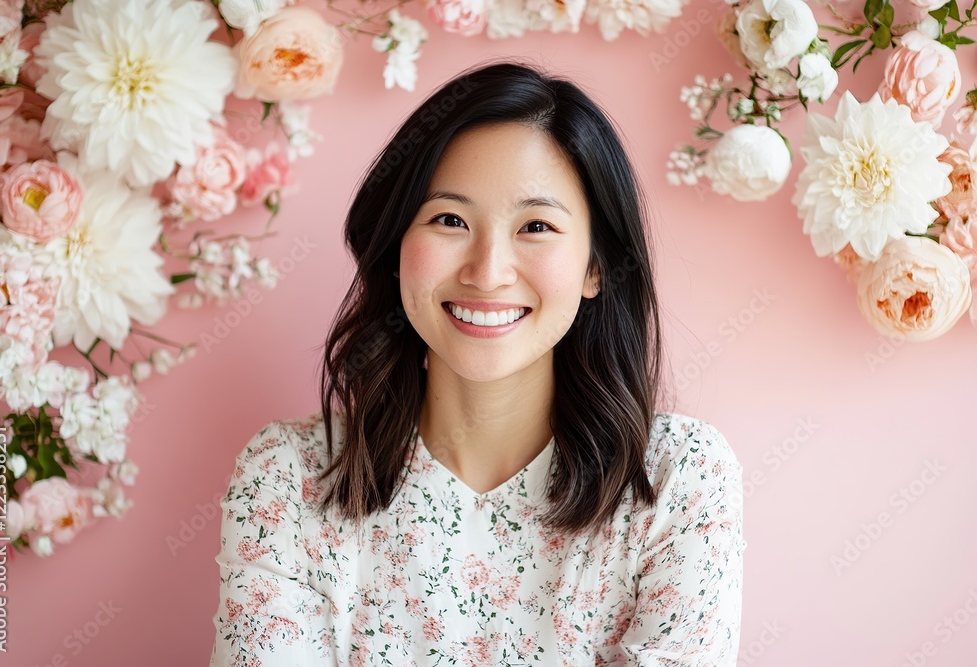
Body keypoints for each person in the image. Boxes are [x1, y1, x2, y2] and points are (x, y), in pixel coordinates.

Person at [210, 58, 746, 667]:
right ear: (395, 250)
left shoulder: (679, 482)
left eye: (536, 226)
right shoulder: (290, 478)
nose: (487, 272)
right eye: (450, 220)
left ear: (595, 266)